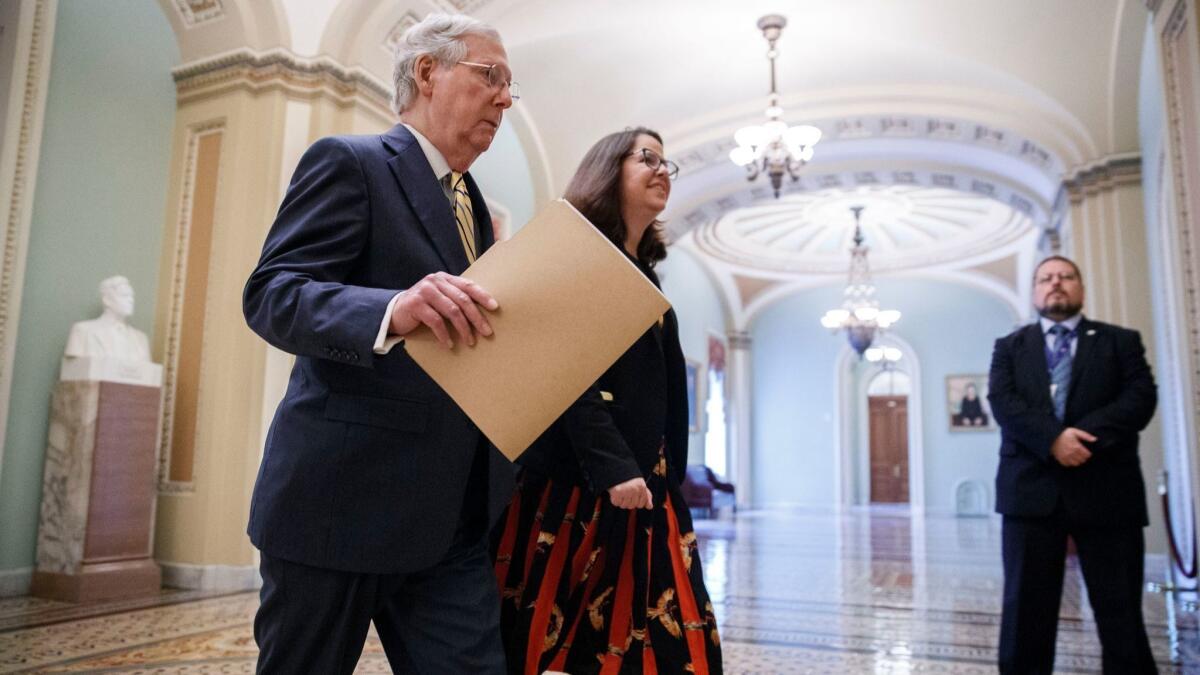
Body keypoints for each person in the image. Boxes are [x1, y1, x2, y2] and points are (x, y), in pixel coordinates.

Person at [242, 13, 516, 673]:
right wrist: (392, 308)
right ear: (428, 72)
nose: (506, 98)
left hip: (452, 518)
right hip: (341, 504)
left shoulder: (477, 205)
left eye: (511, 87)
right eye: (493, 77)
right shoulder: (352, 162)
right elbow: (273, 294)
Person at [492, 128, 723, 674]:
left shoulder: (644, 272)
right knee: (558, 645)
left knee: (664, 645)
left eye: (668, 163)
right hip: (583, 485)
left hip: (648, 484)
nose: (662, 170)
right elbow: (564, 375)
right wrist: (616, 468)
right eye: (647, 158)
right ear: (606, 169)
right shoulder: (578, 258)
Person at [988, 255, 1157, 674]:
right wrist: (1052, 440)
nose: (1056, 283)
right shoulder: (1010, 347)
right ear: (1034, 293)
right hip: (1030, 494)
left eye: (1066, 276)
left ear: (1081, 288)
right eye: (1046, 278)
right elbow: (1004, 403)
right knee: (1025, 612)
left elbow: (1139, 398)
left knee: (1119, 611)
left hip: (1107, 491)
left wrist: (1079, 439)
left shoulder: (1121, 341)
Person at [64, 275, 150, 362]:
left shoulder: (141, 339)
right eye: (124, 295)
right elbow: (73, 369)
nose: (131, 300)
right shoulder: (83, 330)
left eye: (132, 296)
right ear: (107, 300)